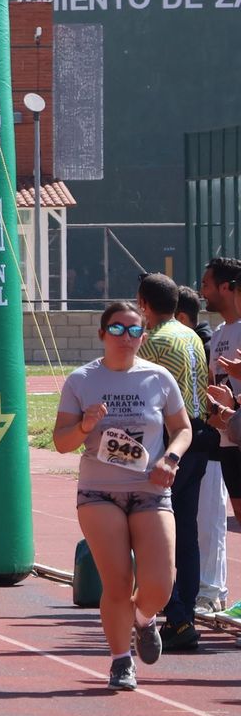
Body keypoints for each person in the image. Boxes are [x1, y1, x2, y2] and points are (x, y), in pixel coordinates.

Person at [53, 301, 191, 691]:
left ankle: (144, 620)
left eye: (134, 330)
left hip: (150, 489)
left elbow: (182, 429)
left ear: (143, 337)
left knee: (160, 586)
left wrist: (171, 458)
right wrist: (85, 425)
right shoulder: (82, 380)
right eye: (116, 329)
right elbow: (62, 442)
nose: (125, 337)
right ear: (102, 334)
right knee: (116, 582)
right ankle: (120, 661)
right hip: (99, 492)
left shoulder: (159, 378)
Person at [135, 272, 212, 650]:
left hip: (169, 443)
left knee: (159, 533)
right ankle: (185, 616)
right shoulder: (192, 336)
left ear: (143, 304)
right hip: (197, 439)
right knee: (186, 533)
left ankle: (177, 617)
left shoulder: (153, 343)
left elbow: (136, 395)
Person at [177, 282, 226, 614]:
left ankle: (210, 590)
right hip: (193, 443)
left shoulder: (202, 343)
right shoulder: (209, 338)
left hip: (209, 444)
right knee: (196, 522)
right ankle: (200, 589)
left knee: (208, 521)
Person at [200, 258, 241, 620]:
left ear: (228, 287)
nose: (203, 291)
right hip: (226, 439)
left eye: (208, 284)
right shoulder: (219, 334)